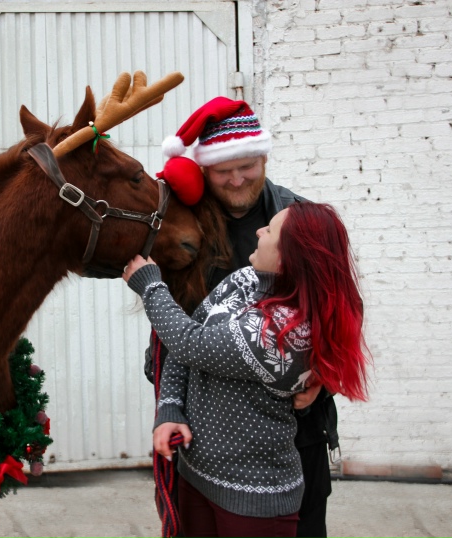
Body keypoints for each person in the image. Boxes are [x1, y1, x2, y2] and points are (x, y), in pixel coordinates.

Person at [141, 97, 342, 538]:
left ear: (264, 155)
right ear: (203, 170)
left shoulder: (297, 219)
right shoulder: (185, 229)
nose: (235, 179)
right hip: (206, 438)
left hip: (294, 436)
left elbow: (340, 308)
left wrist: (324, 370)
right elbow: (173, 329)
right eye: (221, 170)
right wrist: (169, 406)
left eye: (246, 165)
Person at [124, 201, 370, 538]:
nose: (258, 231)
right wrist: (169, 408)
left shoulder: (285, 333)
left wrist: (151, 286)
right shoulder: (245, 280)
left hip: (253, 500)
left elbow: (188, 341)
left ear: (287, 258)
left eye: (268, 231)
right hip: (196, 476)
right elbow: (186, 341)